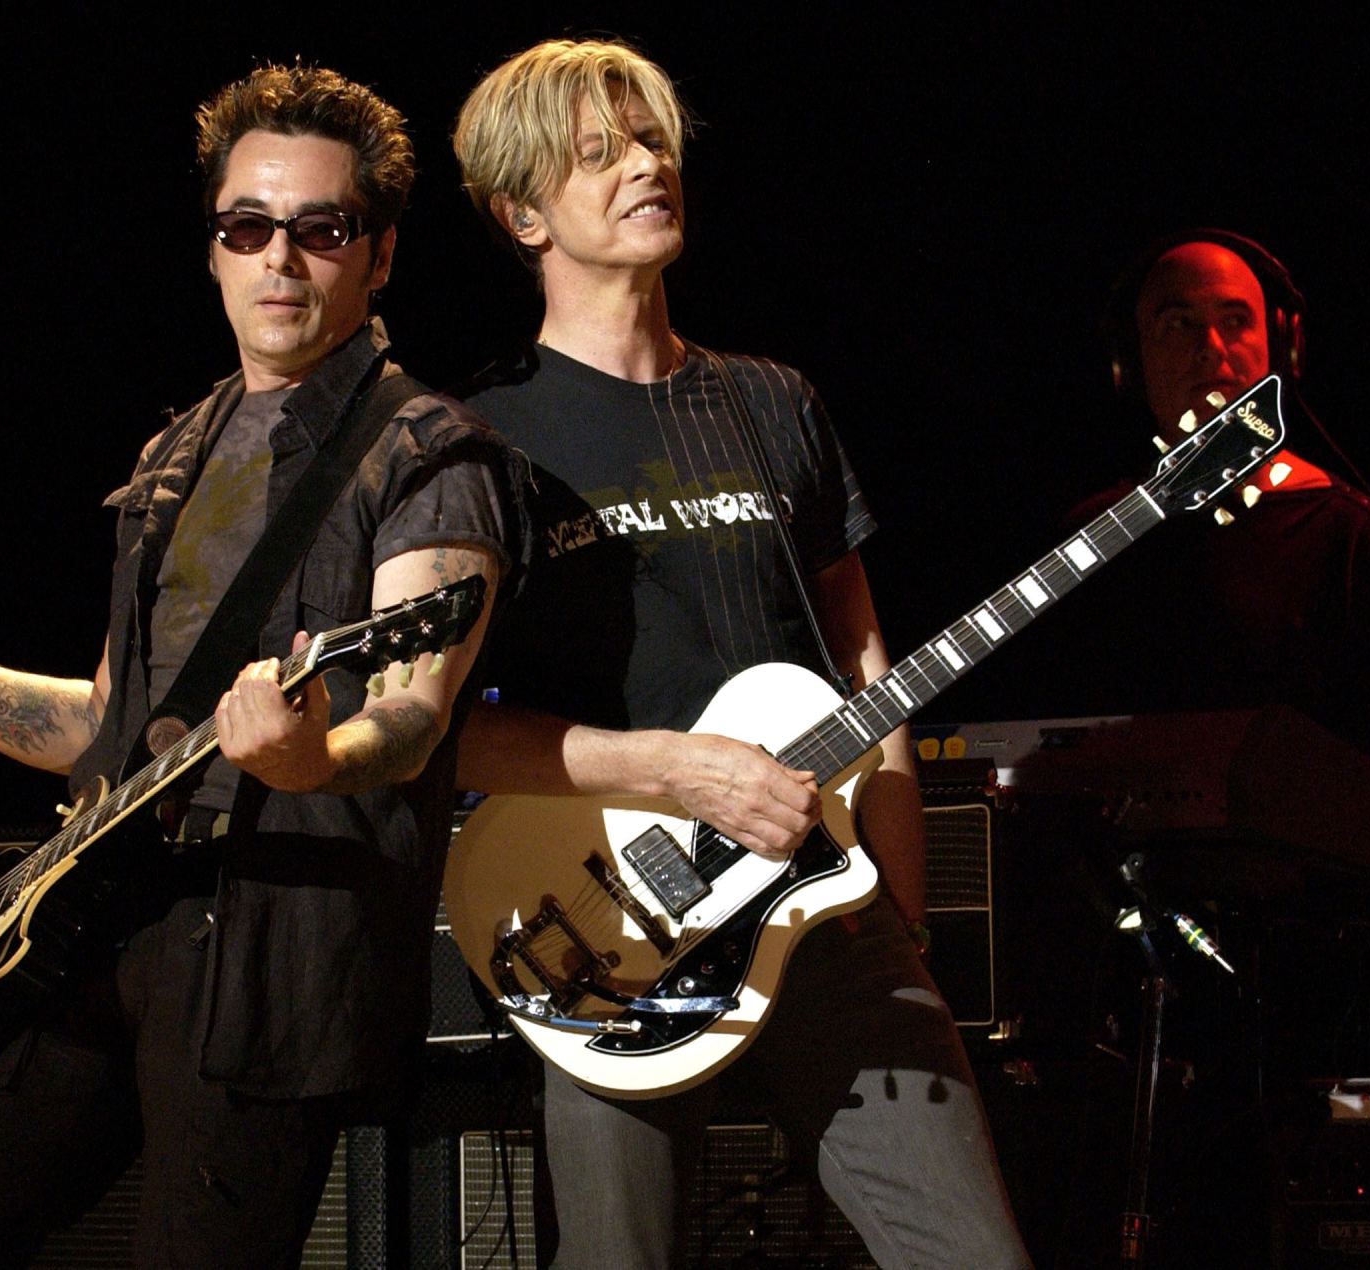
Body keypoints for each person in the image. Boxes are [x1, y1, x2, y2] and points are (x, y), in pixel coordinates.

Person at [0, 64, 510, 1267]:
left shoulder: (428, 451)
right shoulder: (175, 448)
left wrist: (314, 753)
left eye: (321, 229)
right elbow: (113, 726)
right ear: (214, 248)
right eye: (247, 227)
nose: (280, 259)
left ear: (376, 256)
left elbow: (414, 714)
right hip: (92, 920)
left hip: (269, 952)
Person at [448, 39, 1028, 1269]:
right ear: (520, 213)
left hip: (830, 913)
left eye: (651, 139)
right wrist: (673, 770)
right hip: (606, 926)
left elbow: (866, 666)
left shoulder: (772, 401)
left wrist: (897, 901)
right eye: (596, 152)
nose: (644, 165)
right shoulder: (479, 437)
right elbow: (440, 733)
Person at [1054, 229, 1370, 785]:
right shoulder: (1086, 537)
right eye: (1178, 323)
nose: (1211, 347)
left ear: (1282, 349)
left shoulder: (1352, 535)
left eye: (1235, 320)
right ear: (1131, 364)